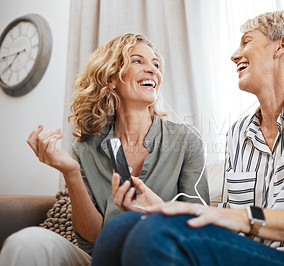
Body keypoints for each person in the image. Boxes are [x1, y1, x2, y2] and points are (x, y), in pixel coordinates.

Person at [91, 11, 284, 266]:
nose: (235, 55)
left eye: (246, 42)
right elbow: (225, 222)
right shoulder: (238, 132)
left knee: (156, 233)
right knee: (119, 228)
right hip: (250, 255)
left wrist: (244, 217)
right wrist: (162, 208)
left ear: (281, 47)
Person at [0, 33, 209, 266]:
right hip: (103, 258)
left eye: (156, 64)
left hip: (162, 256)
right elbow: (91, 239)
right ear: (111, 77)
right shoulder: (86, 148)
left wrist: (157, 214)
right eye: (138, 61)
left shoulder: (186, 140)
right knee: (26, 242)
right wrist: (71, 173)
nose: (153, 70)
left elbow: (201, 228)